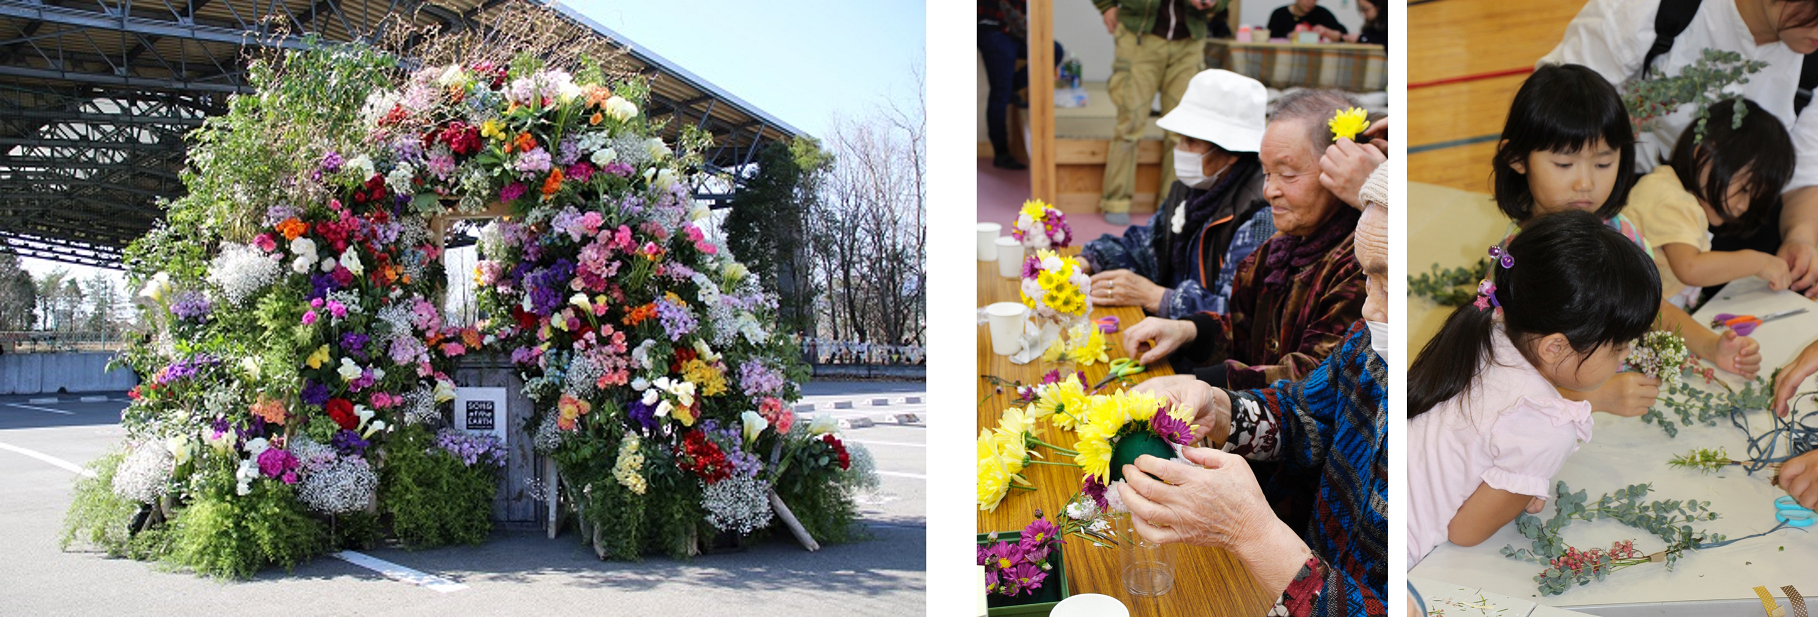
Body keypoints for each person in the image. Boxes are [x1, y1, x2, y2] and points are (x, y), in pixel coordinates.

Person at [1115, 161, 1390, 617]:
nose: (1369, 304)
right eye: (1366, 277)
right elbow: (1306, 413)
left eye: (1388, 280)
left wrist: (1251, 531)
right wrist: (1220, 409)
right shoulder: (1369, 340)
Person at [1488, 64, 1760, 415]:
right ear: (1517, 159)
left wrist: (1711, 347)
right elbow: (1502, 375)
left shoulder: (1620, 230)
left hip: (1624, 394)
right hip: (1551, 416)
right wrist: (1592, 399)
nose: (1585, 183)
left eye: (1603, 164)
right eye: (1563, 164)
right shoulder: (1514, 259)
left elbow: (1652, 308)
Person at [1407, 210, 1661, 568]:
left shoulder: (1489, 328)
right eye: (1618, 347)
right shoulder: (1546, 426)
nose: (1627, 354)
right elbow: (1465, 531)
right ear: (1554, 347)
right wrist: (1516, 495)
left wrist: (1511, 487)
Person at [1540, 0, 1818, 297]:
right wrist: (1612, 131)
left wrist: (1801, 238)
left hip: (1735, 216)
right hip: (1633, 200)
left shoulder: (1810, 61)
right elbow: (1551, 104)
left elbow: (1805, 176)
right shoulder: (1651, 9)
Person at [1117, 89, 1369, 390]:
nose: (1269, 191)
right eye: (1266, 173)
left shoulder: (1360, 267)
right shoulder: (1272, 252)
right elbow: (1243, 330)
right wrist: (1187, 330)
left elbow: (1316, 377)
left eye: (1287, 175)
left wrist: (1202, 382)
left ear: (1341, 174)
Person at [1079, 69, 1271, 319]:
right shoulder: (1191, 188)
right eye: (1179, 138)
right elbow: (1149, 244)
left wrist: (1155, 296)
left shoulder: (1260, 214)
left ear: (1232, 151)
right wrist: (1087, 261)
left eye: (1191, 141)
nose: (1180, 149)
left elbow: (1238, 315)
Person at [1627, 98, 1795, 307]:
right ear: (1704, 153)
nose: (1743, 206)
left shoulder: (1676, 194)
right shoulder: (1669, 196)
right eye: (1743, 189)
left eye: (1754, 199)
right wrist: (1758, 262)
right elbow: (1690, 268)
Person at [1094, 0, 1221, 225]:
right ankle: (1116, 200)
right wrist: (1106, 6)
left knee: (1181, 131)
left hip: (1189, 43)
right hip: (1140, 39)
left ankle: (1171, 203)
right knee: (1129, 125)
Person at [979, 0, 1064, 170]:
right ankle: (1001, 153)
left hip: (1014, 31)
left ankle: (1012, 88)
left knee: (1053, 50)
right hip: (993, 28)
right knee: (999, 93)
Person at [1314, 0, 1385, 47]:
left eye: (1365, 9)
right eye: (1360, 10)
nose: (1363, 14)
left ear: (1378, 6)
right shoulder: (1370, 26)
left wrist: (1360, 38)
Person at [1268, 0, 1347, 40]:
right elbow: (1269, 38)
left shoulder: (1322, 13)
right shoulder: (1279, 14)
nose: (1310, 2)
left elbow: (1344, 35)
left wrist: (1327, 32)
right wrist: (1291, 35)